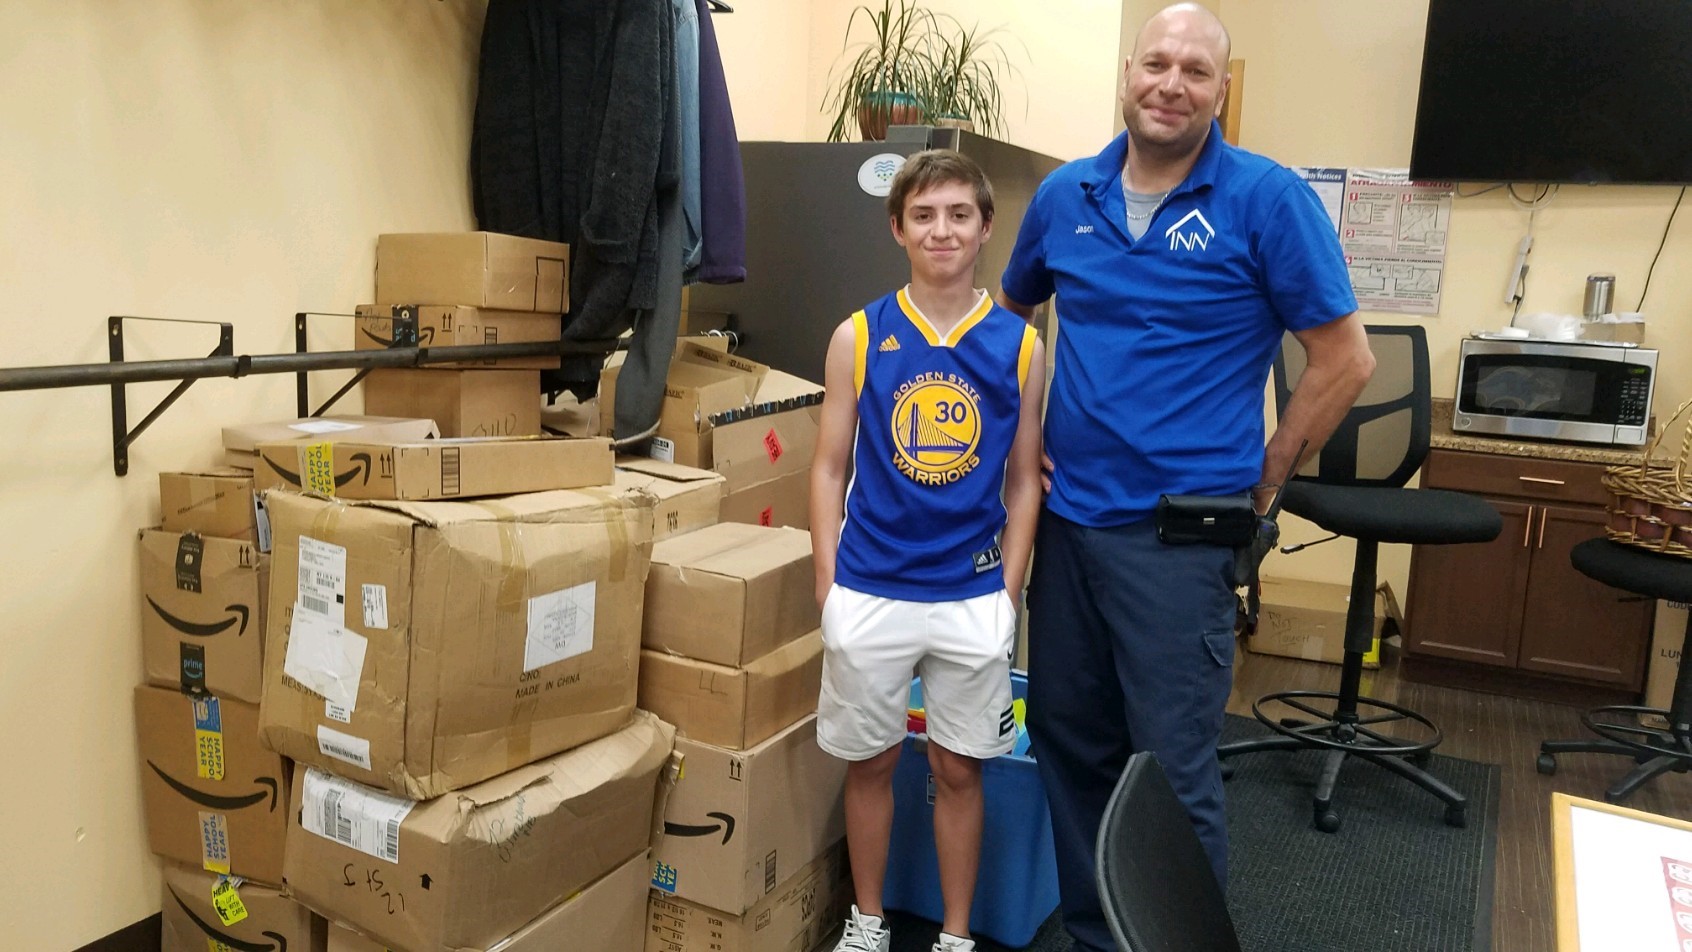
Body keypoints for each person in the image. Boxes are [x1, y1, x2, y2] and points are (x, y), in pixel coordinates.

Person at [994, 5, 1375, 950]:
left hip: (1179, 537)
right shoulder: (1066, 194)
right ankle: (1099, 937)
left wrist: (1268, 477)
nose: (1172, 84)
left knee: (1167, 772)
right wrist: (1020, 437)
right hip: (1068, 529)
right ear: (1129, 73)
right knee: (1072, 747)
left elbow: (1345, 360)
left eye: (1196, 71)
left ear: (1221, 90)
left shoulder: (1266, 200)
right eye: (1157, 64)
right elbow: (1010, 322)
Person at [811, 149, 1046, 952]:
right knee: (871, 764)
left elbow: (1025, 480)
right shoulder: (859, 335)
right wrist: (828, 586)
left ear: (985, 227)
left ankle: (955, 934)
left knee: (960, 770)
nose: (941, 230)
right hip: (870, 586)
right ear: (897, 228)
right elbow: (827, 466)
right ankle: (868, 921)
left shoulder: (1020, 345)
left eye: (958, 215)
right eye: (923, 215)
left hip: (970, 595)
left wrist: (1007, 593)